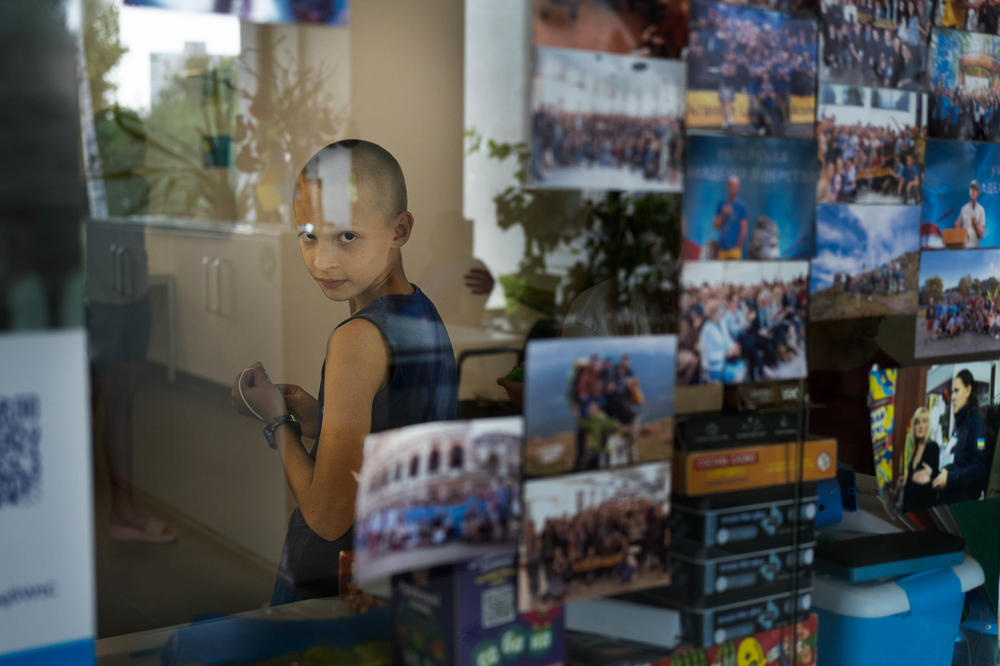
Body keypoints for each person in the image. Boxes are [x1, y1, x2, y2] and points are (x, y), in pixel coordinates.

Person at [231, 140, 457, 604]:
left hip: (338, 581)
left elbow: (328, 516)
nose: (322, 260)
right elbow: (396, 430)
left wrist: (279, 421)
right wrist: (321, 416)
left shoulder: (355, 339)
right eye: (308, 234)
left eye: (347, 237)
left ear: (400, 229)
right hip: (403, 566)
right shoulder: (421, 310)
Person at [933, 369, 990, 504]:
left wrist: (949, 478)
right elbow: (954, 460)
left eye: (956, 390)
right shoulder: (959, 424)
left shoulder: (977, 422)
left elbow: (979, 469)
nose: (952, 397)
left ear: (968, 390)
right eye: (952, 391)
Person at [900, 406, 940, 512]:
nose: (920, 426)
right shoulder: (914, 450)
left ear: (928, 426)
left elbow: (927, 480)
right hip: (909, 510)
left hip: (923, 511)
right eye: (917, 422)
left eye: (924, 422)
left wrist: (910, 479)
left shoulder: (932, 447)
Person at [712, 175, 749, 260]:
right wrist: (723, 214)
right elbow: (715, 226)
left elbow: (744, 229)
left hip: (735, 250)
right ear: (728, 186)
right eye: (732, 186)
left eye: (735, 186)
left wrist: (738, 247)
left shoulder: (741, 206)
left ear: (738, 188)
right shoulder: (721, 204)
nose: (733, 188)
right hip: (722, 249)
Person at [955, 180, 986, 248]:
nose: (973, 192)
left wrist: (975, 223)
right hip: (963, 247)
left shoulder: (981, 210)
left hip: (975, 248)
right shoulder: (963, 208)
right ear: (969, 192)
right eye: (971, 189)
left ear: (978, 193)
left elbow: (981, 235)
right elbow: (957, 226)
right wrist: (957, 228)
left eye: (975, 190)